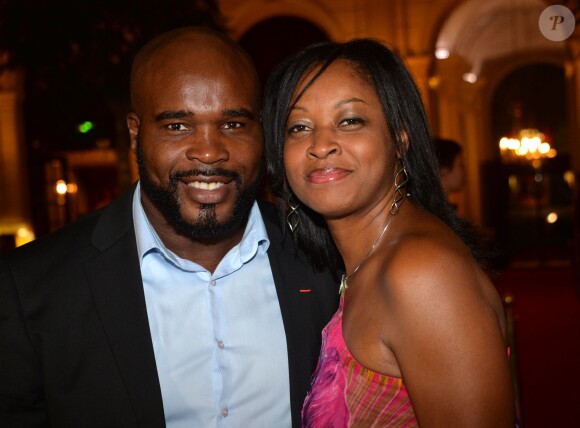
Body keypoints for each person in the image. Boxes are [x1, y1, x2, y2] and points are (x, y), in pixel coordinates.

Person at [0, 27, 338, 428]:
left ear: (261, 130)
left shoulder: (326, 257)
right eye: (178, 126)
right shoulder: (31, 288)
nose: (210, 151)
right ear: (135, 133)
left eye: (233, 124)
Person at [263, 39, 516, 426]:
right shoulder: (364, 263)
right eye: (299, 127)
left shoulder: (421, 273)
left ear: (399, 137)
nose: (321, 145)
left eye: (350, 120)